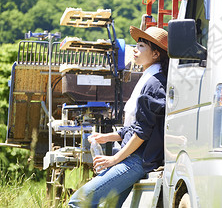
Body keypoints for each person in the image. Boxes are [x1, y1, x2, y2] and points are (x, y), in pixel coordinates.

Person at [68, 25, 169, 208]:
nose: (134, 50)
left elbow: (142, 132)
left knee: (78, 201)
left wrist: (114, 160)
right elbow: (138, 125)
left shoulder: (155, 83)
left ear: (156, 54)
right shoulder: (149, 79)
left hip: (136, 160)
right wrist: (109, 137)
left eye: (141, 46)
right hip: (132, 156)